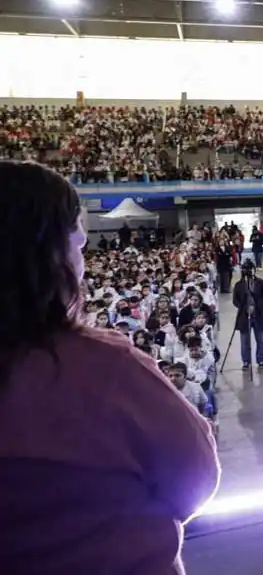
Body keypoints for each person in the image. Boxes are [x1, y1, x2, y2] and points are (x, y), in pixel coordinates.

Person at [0, 160, 220, 573]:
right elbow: (194, 478)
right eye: (77, 241)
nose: (83, 253)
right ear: (47, 254)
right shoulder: (102, 369)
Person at [232, 259, 263, 370]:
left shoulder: (261, 283)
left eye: (250, 269)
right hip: (244, 316)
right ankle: (246, 361)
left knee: (261, 339)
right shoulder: (238, 285)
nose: (248, 271)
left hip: (259, 314)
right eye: (246, 269)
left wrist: (256, 306)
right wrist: (245, 308)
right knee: (245, 341)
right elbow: (235, 300)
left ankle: (261, 359)